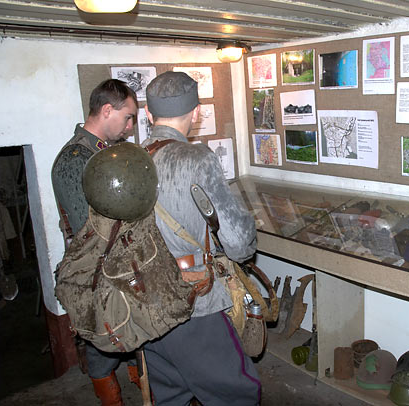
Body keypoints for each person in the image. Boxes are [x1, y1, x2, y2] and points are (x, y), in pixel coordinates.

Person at [142, 71, 260, 405]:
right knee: (239, 392)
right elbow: (237, 240)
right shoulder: (198, 159)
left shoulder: (130, 158)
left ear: (148, 114)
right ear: (196, 113)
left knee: (170, 394)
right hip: (194, 300)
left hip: (144, 299)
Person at [51, 79, 139, 406]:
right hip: (94, 270)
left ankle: (142, 386)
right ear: (106, 110)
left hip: (119, 261)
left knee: (132, 336)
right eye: (127, 117)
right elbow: (88, 230)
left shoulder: (104, 154)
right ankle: (111, 400)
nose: (130, 127)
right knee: (103, 341)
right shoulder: (76, 159)